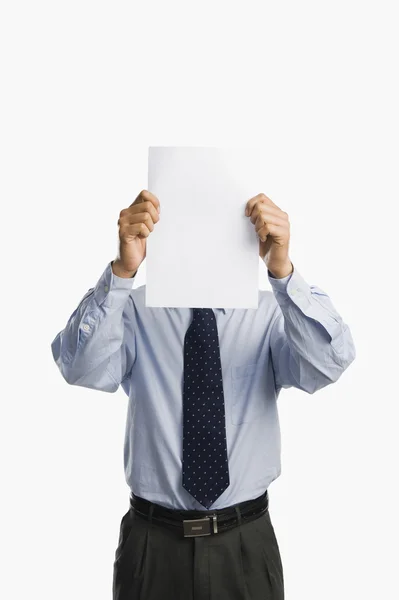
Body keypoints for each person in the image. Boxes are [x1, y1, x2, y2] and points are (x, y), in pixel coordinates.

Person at [51, 189, 356, 600]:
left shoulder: (270, 314)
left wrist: (283, 273)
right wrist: (122, 272)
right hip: (152, 546)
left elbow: (328, 365)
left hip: (246, 544)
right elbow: (78, 367)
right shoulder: (134, 310)